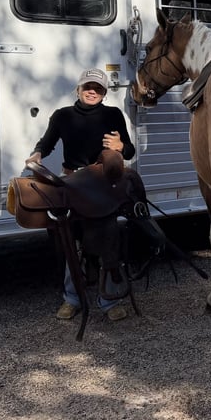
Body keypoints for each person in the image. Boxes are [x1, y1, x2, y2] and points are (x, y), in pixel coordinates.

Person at [26, 68, 135, 322]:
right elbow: (47, 142)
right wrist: (37, 154)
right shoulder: (62, 115)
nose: (92, 92)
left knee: (109, 235)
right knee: (69, 240)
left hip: (102, 181)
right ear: (78, 89)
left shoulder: (113, 114)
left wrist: (121, 146)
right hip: (73, 182)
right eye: (88, 87)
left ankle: (109, 299)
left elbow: (128, 150)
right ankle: (72, 298)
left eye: (98, 88)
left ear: (104, 93)